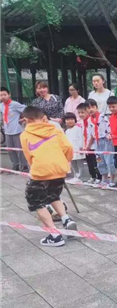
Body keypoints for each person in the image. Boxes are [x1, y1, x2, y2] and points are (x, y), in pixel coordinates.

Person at [20, 106, 77, 247]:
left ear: (26, 120)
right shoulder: (56, 130)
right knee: (54, 196)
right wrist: (63, 160)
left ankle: (55, 235)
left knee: (37, 203)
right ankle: (66, 219)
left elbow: (28, 156)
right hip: (59, 170)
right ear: (43, 117)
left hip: (41, 171)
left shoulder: (25, 135)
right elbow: (68, 148)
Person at [87, 99, 115, 187]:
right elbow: (91, 134)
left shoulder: (103, 117)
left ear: (96, 107)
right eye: (88, 108)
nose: (91, 109)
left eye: (92, 107)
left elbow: (109, 128)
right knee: (99, 160)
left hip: (106, 140)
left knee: (109, 160)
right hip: (97, 141)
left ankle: (112, 179)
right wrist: (88, 146)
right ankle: (104, 178)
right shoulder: (89, 120)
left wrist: (109, 136)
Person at [0, 87, 29, 172]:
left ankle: (24, 166)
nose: (3, 97)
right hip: (7, 131)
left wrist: (23, 118)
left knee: (19, 150)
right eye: (1, 95)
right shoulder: (1, 106)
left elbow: (26, 109)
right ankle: (15, 165)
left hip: (17, 130)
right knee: (10, 150)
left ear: (9, 95)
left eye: (4, 95)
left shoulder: (15, 104)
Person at [76, 102, 101, 183]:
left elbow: (92, 135)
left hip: (93, 146)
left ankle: (99, 177)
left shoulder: (90, 121)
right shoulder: (82, 122)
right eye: (79, 113)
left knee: (95, 162)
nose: (81, 114)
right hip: (87, 146)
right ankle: (93, 176)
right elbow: (83, 135)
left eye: (82, 112)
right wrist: (83, 146)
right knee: (89, 163)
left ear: (87, 111)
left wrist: (88, 146)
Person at [63, 113, 85, 182]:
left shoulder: (78, 129)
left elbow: (81, 138)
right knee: (73, 163)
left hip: (78, 149)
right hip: (71, 150)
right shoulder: (66, 131)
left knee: (79, 163)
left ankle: (80, 177)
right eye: (68, 119)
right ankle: (75, 176)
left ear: (75, 120)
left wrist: (81, 147)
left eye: (72, 119)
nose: (70, 121)